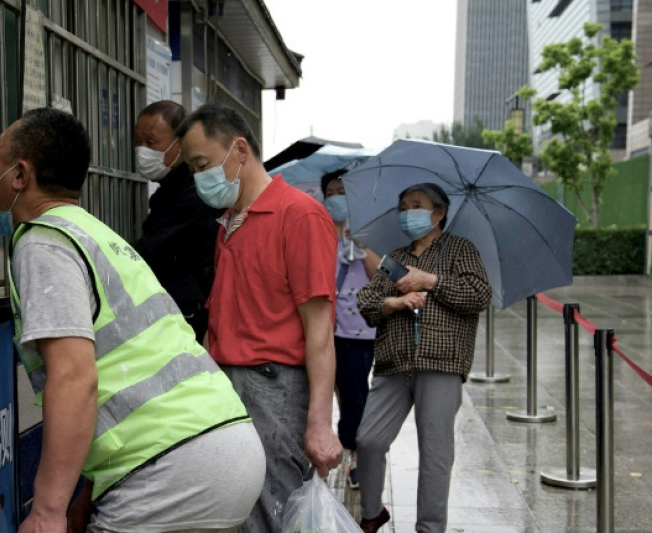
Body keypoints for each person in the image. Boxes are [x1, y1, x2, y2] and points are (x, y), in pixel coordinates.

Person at [0, 107, 265, 533]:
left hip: (170, 466)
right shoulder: (93, 232)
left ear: (20, 174)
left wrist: (47, 510)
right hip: (225, 444)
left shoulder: (43, 244)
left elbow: (75, 378)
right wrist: (88, 493)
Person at [176, 103, 343, 533]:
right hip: (229, 386)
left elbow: (320, 330)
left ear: (239, 150)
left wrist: (320, 424)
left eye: (202, 165)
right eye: (192, 169)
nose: (198, 178)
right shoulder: (230, 223)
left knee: (268, 514)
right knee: (237, 513)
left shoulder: (299, 215)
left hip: (274, 391)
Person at [355, 183, 491, 533]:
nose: (407, 213)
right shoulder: (394, 258)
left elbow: (478, 295)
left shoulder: (460, 250)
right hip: (392, 363)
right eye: (402, 207)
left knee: (435, 451)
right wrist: (394, 302)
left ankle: (429, 528)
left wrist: (429, 281)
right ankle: (371, 512)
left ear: (438, 213)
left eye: (415, 206)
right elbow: (367, 302)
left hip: (441, 362)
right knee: (369, 440)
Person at [133, 101, 223, 342]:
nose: (142, 151)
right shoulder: (170, 189)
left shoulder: (194, 190)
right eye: (138, 142)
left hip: (192, 314)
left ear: (180, 144)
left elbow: (151, 248)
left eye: (151, 142)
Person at [320, 169, 380, 490]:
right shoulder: (316, 230)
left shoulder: (367, 232)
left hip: (358, 330)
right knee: (329, 387)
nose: (336, 198)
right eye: (330, 192)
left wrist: (362, 245)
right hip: (322, 326)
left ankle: (357, 455)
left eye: (342, 192)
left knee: (354, 390)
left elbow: (381, 275)